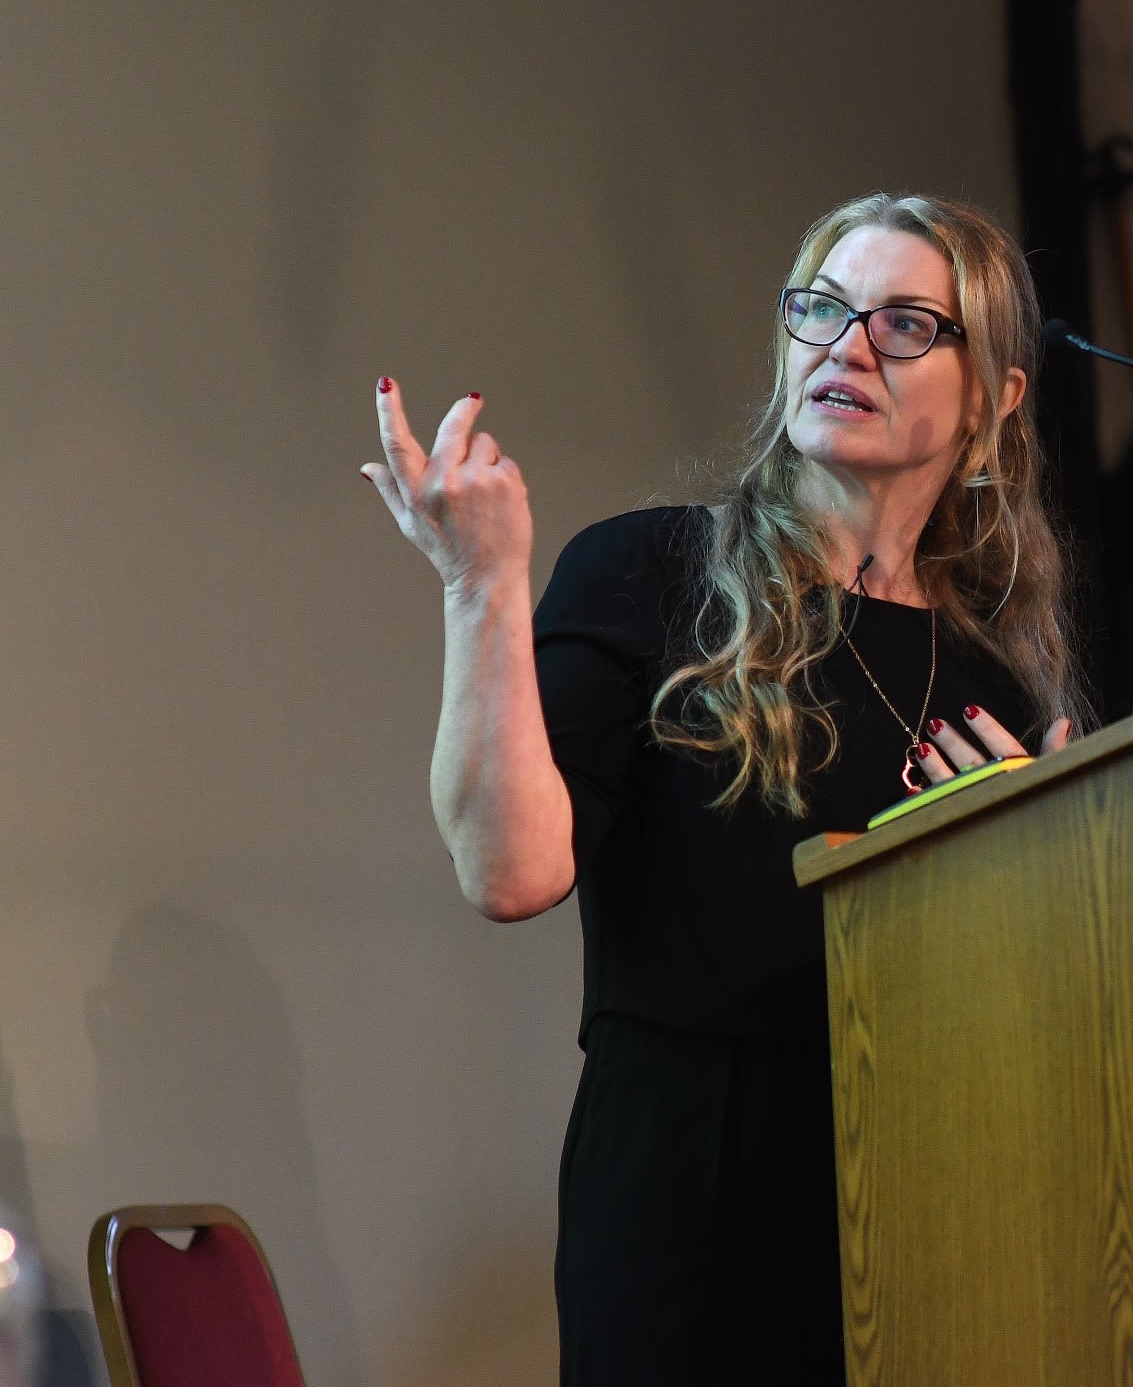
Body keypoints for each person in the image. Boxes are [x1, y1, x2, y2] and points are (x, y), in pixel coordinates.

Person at [361, 192, 1090, 1384]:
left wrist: (1047, 876)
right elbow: (509, 872)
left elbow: (1025, 1015)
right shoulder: (650, 571)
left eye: (906, 324)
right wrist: (477, 586)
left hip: (925, 1187)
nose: (847, 348)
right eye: (821, 310)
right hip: (690, 1186)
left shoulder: (994, 680)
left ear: (992, 398)